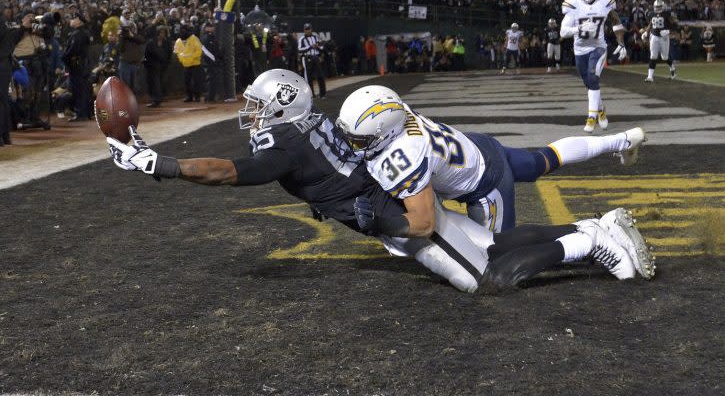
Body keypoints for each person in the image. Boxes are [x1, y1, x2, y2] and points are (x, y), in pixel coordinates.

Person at [106, 70, 653, 293]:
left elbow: (225, 172)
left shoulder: (293, 142)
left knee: (490, 279)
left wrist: (154, 163)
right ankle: (592, 226)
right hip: (397, 202)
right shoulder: (315, 123)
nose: (248, 113)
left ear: (281, 107)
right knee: (495, 244)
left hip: (403, 214)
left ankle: (588, 241)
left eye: (256, 105)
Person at [336, 85, 654, 289]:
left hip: (484, 185)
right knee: (544, 160)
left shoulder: (402, 153)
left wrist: (381, 224)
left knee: (497, 258)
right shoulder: (395, 112)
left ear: (385, 133)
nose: (352, 144)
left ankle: (592, 234)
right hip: (479, 147)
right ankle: (621, 140)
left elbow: (425, 222)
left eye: (359, 139)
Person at [560, 0, 627, 133]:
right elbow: (563, 32)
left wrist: (621, 43)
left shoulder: (605, 3)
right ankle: (601, 109)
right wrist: (580, 28)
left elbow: (616, 21)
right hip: (580, 50)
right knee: (590, 84)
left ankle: (591, 118)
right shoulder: (573, 5)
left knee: (592, 76)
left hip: (599, 47)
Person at [0, 2, 25, 146]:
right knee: (3, 101)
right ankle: (5, 136)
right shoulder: (6, 24)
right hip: (6, 65)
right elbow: (13, 39)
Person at [62, 14, 91, 122]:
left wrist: (63, 57)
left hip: (77, 65)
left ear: (79, 21)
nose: (71, 20)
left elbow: (72, 51)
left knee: (78, 90)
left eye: (74, 18)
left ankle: (81, 114)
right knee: (83, 89)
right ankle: (86, 113)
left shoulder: (77, 34)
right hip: (84, 65)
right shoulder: (85, 32)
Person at [641, 0, 678, 82]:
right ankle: (650, 77)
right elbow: (650, 24)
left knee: (664, 57)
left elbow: (675, 25)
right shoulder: (651, 13)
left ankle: (672, 67)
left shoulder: (667, 14)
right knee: (653, 56)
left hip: (664, 38)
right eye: (656, 7)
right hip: (654, 36)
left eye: (659, 6)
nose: (657, 8)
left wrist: (668, 31)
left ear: (663, 6)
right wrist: (646, 32)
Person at [174, 24, 203, 102]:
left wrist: (191, 58)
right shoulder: (178, 41)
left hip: (195, 64)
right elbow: (177, 53)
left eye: (184, 31)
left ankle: (197, 96)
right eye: (181, 31)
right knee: (187, 82)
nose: (182, 32)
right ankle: (189, 96)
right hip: (186, 65)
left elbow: (199, 51)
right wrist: (182, 60)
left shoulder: (194, 39)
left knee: (196, 81)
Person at [297, 23, 326, 99]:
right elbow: (300, 49)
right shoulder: (302, 39)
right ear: (304, 30)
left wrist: (318, 47)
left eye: (309, 29)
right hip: (307, 58)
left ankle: (322, 94)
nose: (308, 30)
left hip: (316, 57)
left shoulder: (316, 37)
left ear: (311, 29)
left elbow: (322, 47)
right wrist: (310, 47)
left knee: (320, 76)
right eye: (306, 29)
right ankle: (311, 95)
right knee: (308, 77)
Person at [144, 26, 171, 107]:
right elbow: (147, 53)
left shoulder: (165, 42)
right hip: (153, 66)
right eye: (161, 33)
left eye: (164, 33)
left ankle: (157, 100)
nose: (162, 34)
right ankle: (156, 99)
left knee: (157, 83)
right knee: (155, 83)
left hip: (159, 66)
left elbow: (167, 54)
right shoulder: (152, 42)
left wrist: (166, 62)